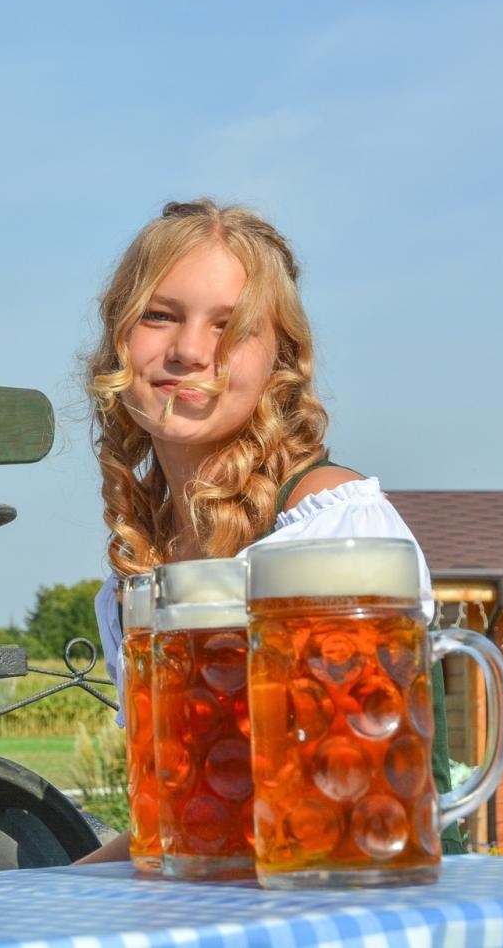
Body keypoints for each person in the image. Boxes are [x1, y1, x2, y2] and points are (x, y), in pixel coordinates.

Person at [77, 199, 457, 862]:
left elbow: (339, 799)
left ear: (280, 359)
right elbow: (188, 814)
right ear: (118, 338)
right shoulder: (137, 572)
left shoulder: (332, 525)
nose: (191, 351)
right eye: (159, 316)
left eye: (231, 327)